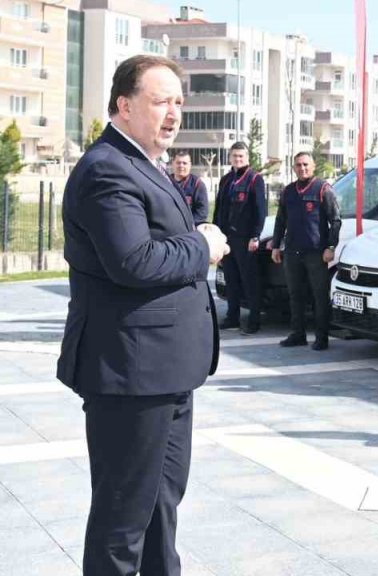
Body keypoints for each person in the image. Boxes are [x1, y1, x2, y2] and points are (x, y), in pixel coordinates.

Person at [58, 54, 228, 576]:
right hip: (130, 376)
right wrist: (203, 247)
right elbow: (133, 260)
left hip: (166, 372)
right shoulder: (107, 169)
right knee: (121, 524)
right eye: (161, 101)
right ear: (124, 105)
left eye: (179, 102)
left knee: (160, 514)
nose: (174, 113)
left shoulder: (142, 163)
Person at [272, 151, 341, 351]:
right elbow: (280, 220)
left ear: (313, 166)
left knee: (319, 295)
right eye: (298, 165)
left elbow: (335, 220)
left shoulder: (323, 189)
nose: (302, 168)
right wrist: (276, 245)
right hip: (292, 251)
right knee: (295, 294)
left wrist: (331, 246)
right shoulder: (288, 191)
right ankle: (298, 334)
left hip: (316, 253)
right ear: (293, 168)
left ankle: (321, 337)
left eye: (306, 164)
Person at [213, 141, 267, 334]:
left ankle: (253, 321)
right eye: (235, 156)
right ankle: (232, 317)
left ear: (247, 158)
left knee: (249, 281)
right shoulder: (226, 180)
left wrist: (255, 236)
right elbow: (219, 208)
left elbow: (261, 210)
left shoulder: (255, 179)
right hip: (227, 238)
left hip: (245, 239)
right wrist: (215, 232)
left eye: (241, 156)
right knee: (231, 279)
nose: (238, 159)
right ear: (230, 158)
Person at [170, 150, 208, 224]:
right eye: (178, 163)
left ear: (190, 165)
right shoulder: (165, 181)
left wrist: (186, 225)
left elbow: (202, 213)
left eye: (185, 163)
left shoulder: (198, 184)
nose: (181, 166)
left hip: (189, 229)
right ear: (173, 164)